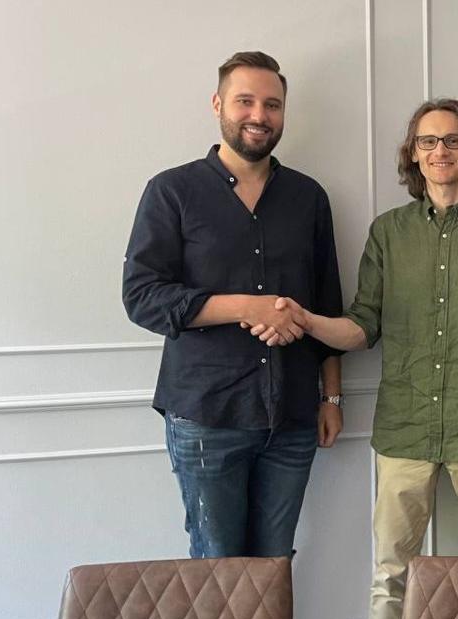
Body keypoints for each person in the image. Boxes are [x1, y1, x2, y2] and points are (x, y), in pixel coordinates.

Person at [255, 98, 458, 619]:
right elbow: (362, 326)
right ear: (414, 154)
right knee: (390, 572)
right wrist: (307, 319)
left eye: (453, 139)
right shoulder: (388, 231)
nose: (440, 151)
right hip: (404, 427)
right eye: (428, 141)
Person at [122, 51, 344, 558]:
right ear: (218, 104)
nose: (259, 115)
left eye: (272, 105)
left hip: (292, 415)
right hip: (206, 416)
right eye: (245, 101)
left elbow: (328, 302)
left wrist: (331, 398)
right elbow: (141, 296)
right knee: (218, 570)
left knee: (274, 565)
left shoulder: (308, 197)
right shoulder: (172, 191)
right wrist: (247, 307)